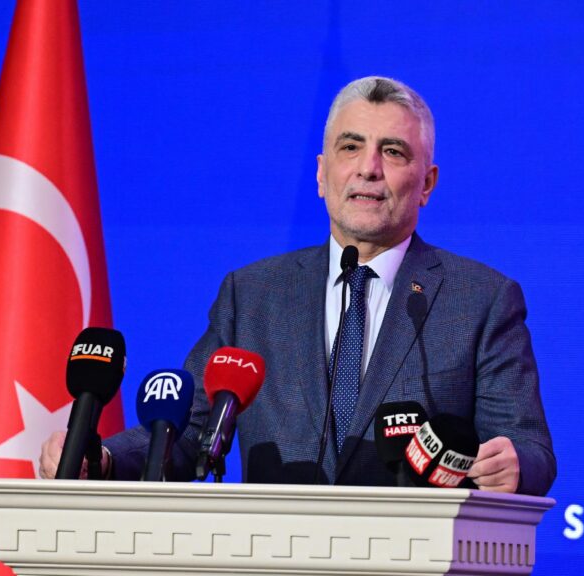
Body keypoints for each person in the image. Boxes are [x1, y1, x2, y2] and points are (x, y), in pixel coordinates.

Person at [40, 76, 556, 496]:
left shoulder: (480, 300)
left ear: (427, 183)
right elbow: (189, 432)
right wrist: (102, 458)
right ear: (321, 174)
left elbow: (529, 448)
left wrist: (513, 465)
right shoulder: (252, 295)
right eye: (350, 147)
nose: (368, 169)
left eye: (393, 151)